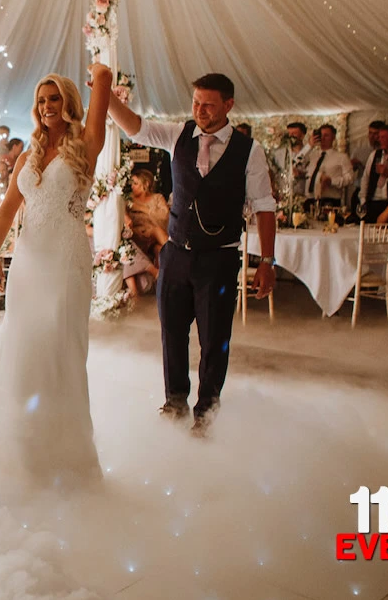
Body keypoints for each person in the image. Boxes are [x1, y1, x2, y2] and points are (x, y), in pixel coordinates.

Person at [106, 72, 276, 437]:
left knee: (214, 339)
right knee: (172, 333)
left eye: (208, 105)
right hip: (176, 255)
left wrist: (267, 261)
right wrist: (106, 96)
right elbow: (136, 128)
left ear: (228, 105)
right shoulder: (177, 135)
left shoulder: (250, 151)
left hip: (220, 258)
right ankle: (175, 402)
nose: (199, 110)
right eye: (196, 103)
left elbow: (264, 206)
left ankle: (207, 412)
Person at [0, 65, 110, 485]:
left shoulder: (85, 145)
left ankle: (66, 456)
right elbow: (6, 209)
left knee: (60, 349)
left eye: (54, 99)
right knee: (22, 343)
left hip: (65, 262)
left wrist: (101, 72)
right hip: (28, 262)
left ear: (69, 103)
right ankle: (23, 448)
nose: (47, 107)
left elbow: (101, 94)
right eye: (41, 101)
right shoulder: (29, 154)